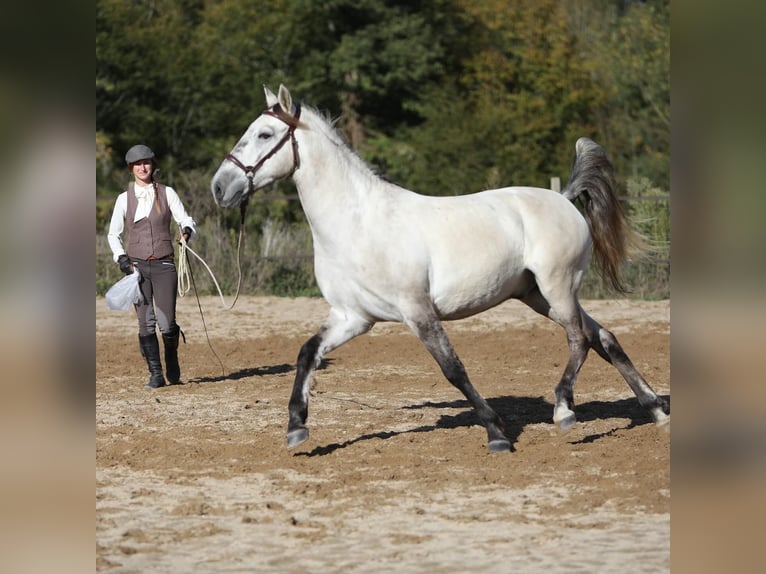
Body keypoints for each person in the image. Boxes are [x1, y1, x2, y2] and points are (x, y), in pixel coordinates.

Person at [107, 144, 196, 388]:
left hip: (165, 265)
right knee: (145, 322)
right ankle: (156, 373)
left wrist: (186, 232)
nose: (142, 167)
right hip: (137, 268)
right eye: (137, 164)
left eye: (146, 163)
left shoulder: (168, 193)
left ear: (152, 165)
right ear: (131, 169)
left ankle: (172, 354)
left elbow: (185, 219)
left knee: (167, 323)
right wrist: (121, 258)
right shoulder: (123, 199)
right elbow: (113, 234)